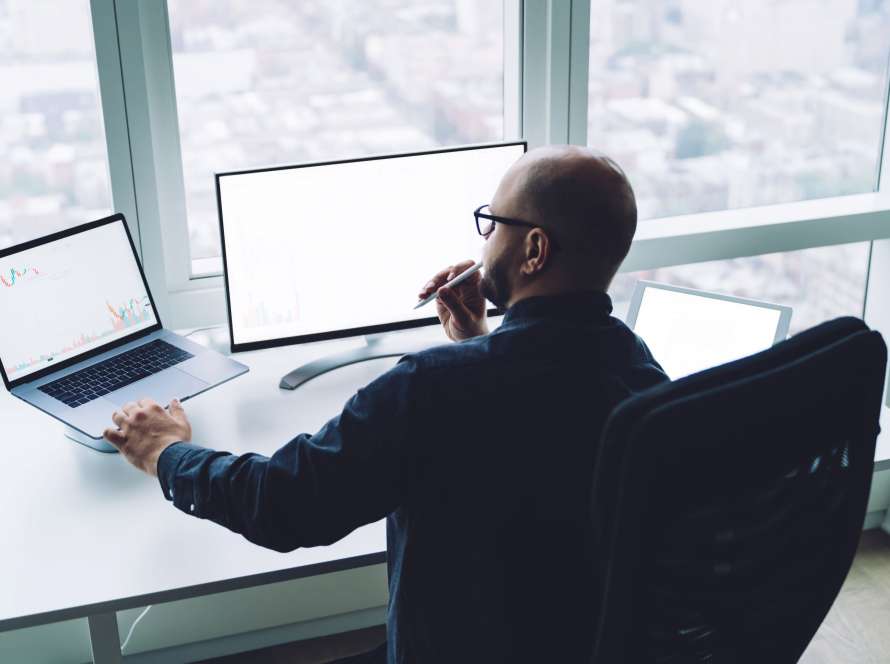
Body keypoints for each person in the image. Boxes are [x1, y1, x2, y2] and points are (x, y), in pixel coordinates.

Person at [104, 145, 668, 664]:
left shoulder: (430, 387)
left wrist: (166, 452)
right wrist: (480, 342)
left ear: (534, 250)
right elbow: (539, 424)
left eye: (493, 224)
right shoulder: (641, 374)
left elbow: (283, 503)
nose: (483, 242)